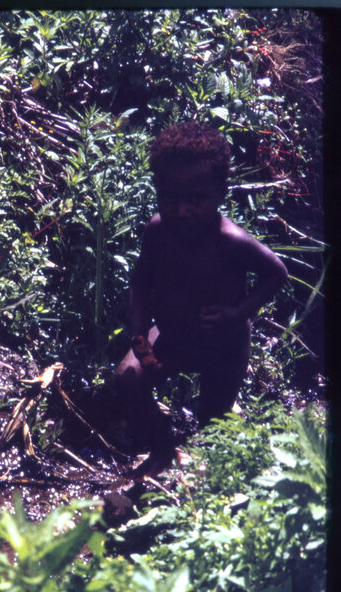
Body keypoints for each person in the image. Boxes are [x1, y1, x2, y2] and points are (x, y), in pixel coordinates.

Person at [116, 122, 288, 478]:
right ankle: (163, 452)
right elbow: (141, 280)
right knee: (128, 378)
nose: (182, 210)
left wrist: (237, 314)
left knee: (213, 428)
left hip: (221, 349)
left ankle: (206, 475)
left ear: (220, 192)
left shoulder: (231, 241)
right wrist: (140, 332)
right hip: (170, 338)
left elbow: (276, 273)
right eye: (169, 197)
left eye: (196, 198)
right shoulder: (157, 231)